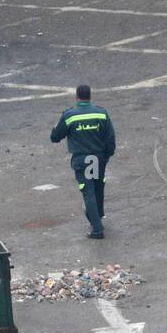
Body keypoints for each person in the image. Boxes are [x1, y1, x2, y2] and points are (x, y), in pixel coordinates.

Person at [50, 84, 116, 238]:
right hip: (98, 158)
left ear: (77, 97)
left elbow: (55, 137)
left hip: (82, 159)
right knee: (98, 187)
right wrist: (107, 156)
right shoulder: (101, 113)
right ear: (90, 96)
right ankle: (97, 216)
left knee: (89, 192)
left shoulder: (69, 115)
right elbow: (110, 138)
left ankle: (97, 229)